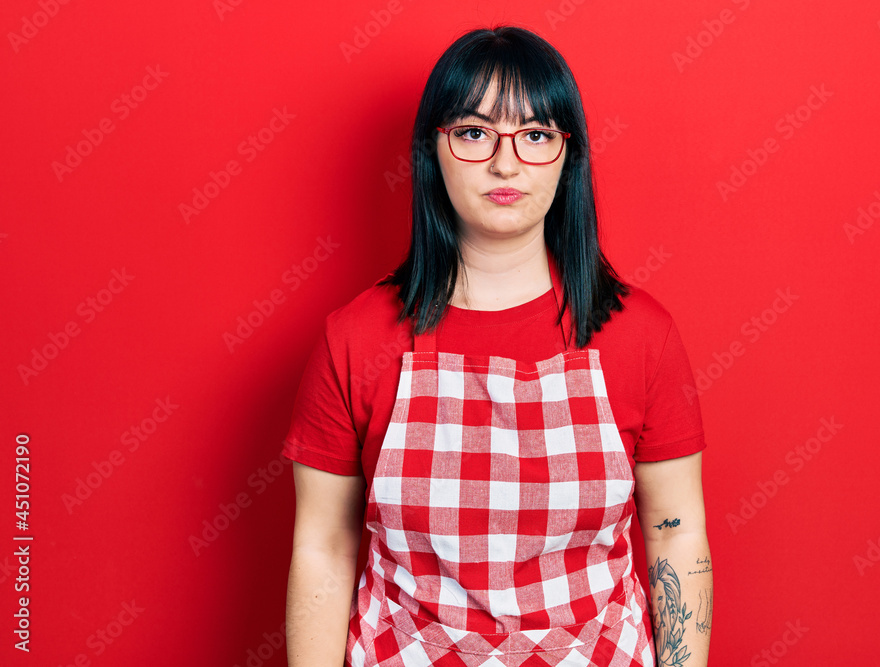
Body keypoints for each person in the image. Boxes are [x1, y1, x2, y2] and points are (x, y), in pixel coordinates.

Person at [282, 25, 712, 667]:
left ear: (569, 155)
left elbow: (675, 536)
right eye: (474, 132)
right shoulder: (355, 338)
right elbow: (324, 545)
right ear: (435, 148)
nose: (505, 164)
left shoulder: (641, 336)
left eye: (535, 136)